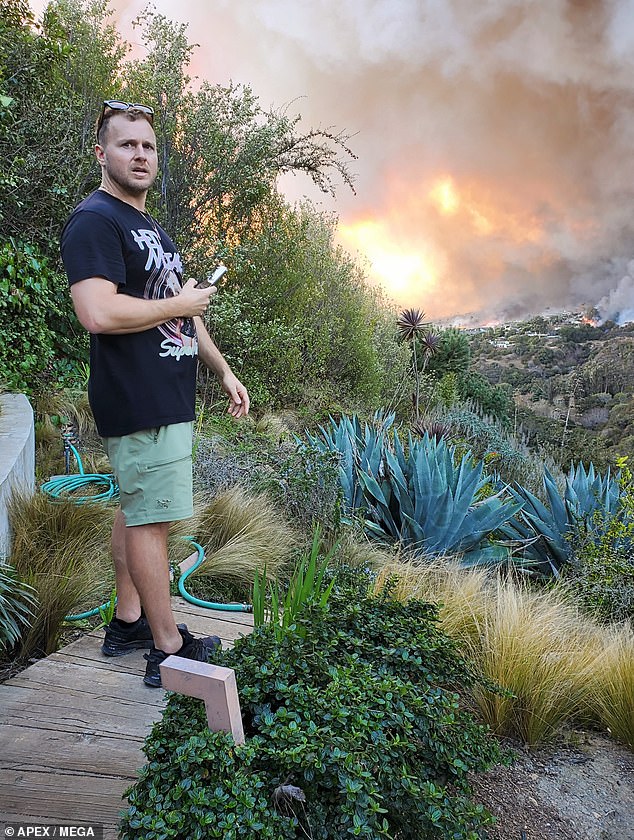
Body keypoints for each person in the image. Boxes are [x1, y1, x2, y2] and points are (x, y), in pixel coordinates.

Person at [60, 99, 250, 688]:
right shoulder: (96, 221)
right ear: (102, 153)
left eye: (147, 146)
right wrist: (183, 303)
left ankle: (129, 620)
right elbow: (96, 311)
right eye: (126, 145)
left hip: (165, 394)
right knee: (151, 522)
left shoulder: (147, 226)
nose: (139, 155)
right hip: (138, 397)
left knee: (136, 508)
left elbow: (179, 316)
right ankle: (169, 649)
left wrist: (221, 368)